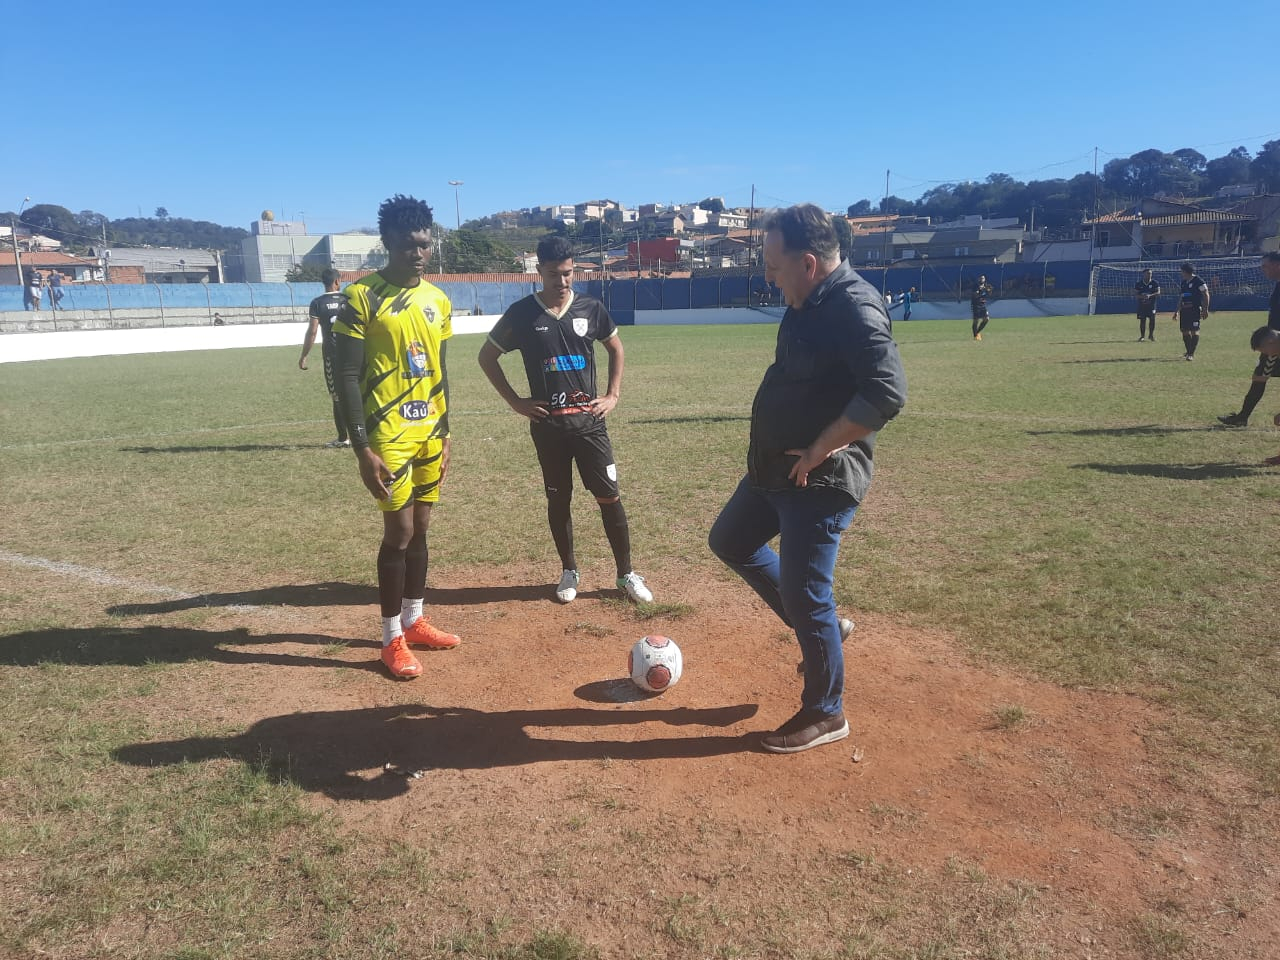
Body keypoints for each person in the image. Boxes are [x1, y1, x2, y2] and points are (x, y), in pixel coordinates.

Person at [708, 204, 906, 754]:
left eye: (774, 266)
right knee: (731, 540)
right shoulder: (807, 297)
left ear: (810, 263)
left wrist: (822, 446)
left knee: (807, 591)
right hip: (775, 469)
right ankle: (822, 628)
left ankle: (826, 711)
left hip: (821, 477)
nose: (769, 278)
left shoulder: (855, 306)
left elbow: (887, 392)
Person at [478, 235, 655, 605]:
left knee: (609, 497)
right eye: (555, 274)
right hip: (549, 429)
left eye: (569, 274)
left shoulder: (590, 307)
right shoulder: (522, 314)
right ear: (539, 271)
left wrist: (613, 395)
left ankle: (625, 574)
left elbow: (615, 347)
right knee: (559, 501)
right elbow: (487, 357)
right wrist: (516, 402)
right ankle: (569, 571)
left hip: (590, 426)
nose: (563, 281)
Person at [332, 194, 462, 680]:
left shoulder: (438, 300)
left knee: (423, 528)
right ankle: (391, 638)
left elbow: (441, 371)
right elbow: (346, 375)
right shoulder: (361, 297)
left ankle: (415, 619)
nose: (419, 253)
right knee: (400, 532)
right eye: (409, 245)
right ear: (387, 243)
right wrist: (362, 447)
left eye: (425, 245)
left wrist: (446, 432)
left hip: (430, 431)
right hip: (387, 436)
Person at [1218, 252, 1280, 427]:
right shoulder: (1278, 285)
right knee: (1259, 377)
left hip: (1275, 344)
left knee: (1260, 377)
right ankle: (1243, 416)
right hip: (1273, 343)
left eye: (1265, 266)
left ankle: (1243, 417)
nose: (1263, 270)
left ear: (1277, 265)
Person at [299, 267, 350, 448]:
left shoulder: (317, 303)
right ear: (337, 281)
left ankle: (343, 438)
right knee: (357, 393)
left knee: (337, 396)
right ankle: (363, 435)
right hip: (353, 354)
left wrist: (304, 355)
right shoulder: (348, 299)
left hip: (332, 355)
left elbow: (312, 331)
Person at [1174, 262, 1209, 361]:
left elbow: (1206, 294)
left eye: (1182, 271)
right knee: (1184, 331)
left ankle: (1191, 354)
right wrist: (1176, 311)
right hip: (1184, 311)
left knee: (1194, 330)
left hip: (1194, 310)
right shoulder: (1183, 282)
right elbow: (1181, 297)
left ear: (1186, 271)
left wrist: (1205, 309)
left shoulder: (1198, 281)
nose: (1181, 273)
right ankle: (1189, 351)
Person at [1134, 268, 1159, 341]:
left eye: (1150, 273)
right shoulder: (1139, 283)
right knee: (1142, 320)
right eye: (1148, 273)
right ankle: (1142, 336)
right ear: (1143, 274)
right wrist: (1143, 296)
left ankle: (1151, 335)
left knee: (1152, 320)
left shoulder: (1155, 283)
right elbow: (1136, 294)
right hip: (1142, 306)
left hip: (1151, 306)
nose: (1149, 275)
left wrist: (1150, 295)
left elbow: (1158, 292)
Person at [971, 275, 993, 340]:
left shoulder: (986, 285)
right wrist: (980, 290)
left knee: (986, 319)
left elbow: (989, 293)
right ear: (978, 279)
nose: (982, 279)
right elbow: (975, 295)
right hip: (976, 304)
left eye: (983, 278)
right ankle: (975, 336)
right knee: (976, 321)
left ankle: (977, 332)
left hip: (982, 304)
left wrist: (989, 291)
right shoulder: (975, 286)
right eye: (980, 278)